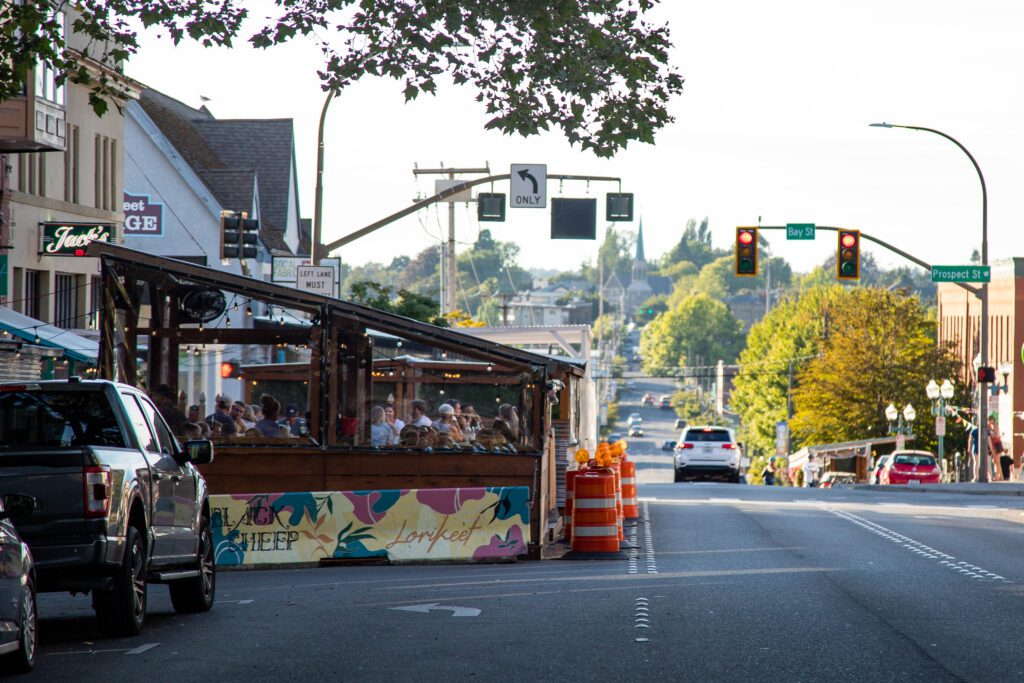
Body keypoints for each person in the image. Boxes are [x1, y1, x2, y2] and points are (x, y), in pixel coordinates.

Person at [989, 416, 1011, 481]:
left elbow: (995, 435)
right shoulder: (992, 426)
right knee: (996, 461)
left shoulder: (995, 426)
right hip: (995, 444)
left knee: (997, 461)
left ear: (993, 420)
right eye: (989, 420)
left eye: (991, 420)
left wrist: (990, 434)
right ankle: (1000, 476)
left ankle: (997, 477)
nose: (990, 421)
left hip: (996, 444)